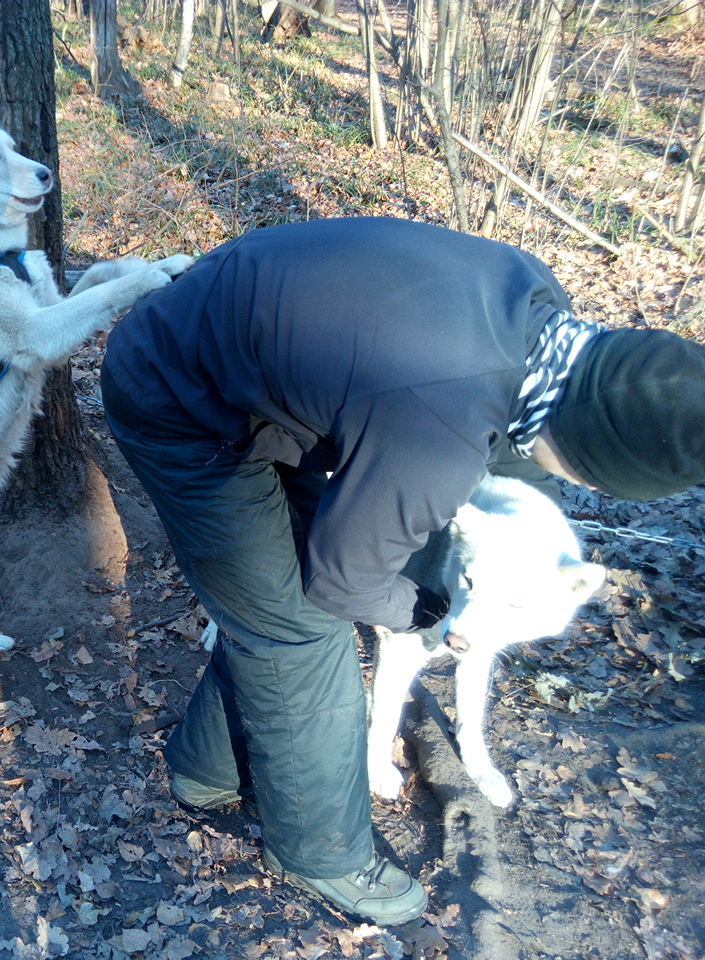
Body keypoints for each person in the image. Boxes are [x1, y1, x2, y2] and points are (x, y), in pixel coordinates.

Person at [99, 217, 705, 926]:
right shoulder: (440, 415)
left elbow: (492, 447)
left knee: (268, 598)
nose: (585, 494)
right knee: (300, 629)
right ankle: (318, 851)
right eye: (591, 480)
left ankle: (206, 773)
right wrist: (421, 610)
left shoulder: (540, 304)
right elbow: (343, 583)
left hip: (254, 365)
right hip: (175, 394)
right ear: (581, 447)